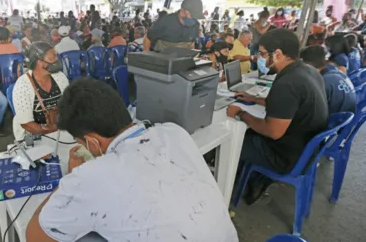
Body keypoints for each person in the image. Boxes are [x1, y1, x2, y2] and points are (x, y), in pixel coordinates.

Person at [25, 78, 238, 242]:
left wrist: (71, 179)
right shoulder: (174, 133)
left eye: (79, 142)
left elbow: (35, 236)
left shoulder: (90, 177)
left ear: (92, 143)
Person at [227, 29, 328, 204]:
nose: (261, 58)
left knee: (232, 139)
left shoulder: (287, 83)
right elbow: (295, 104)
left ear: (278, 54)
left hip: (286, 157)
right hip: (306, 149)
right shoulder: (308, 71)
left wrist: (241, 113)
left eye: (264, 54)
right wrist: (256, 99)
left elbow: (273, 131)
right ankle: (254, 178)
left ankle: (236, 185)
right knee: (249, 131)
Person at [12, 42, 69, 140]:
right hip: (34, 135)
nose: (57, 61)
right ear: (38, 62)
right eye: (52, 58)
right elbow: (27, 124)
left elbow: (68, 106)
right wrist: (51, 132)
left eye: (56, 56)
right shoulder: (22, 85)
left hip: (59, 129)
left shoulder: (60, 77)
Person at [300, 45, 356, 114]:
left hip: (333, 121)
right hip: (347, 117)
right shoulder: (336, 72)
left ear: (308, 65)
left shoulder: (323, 82)